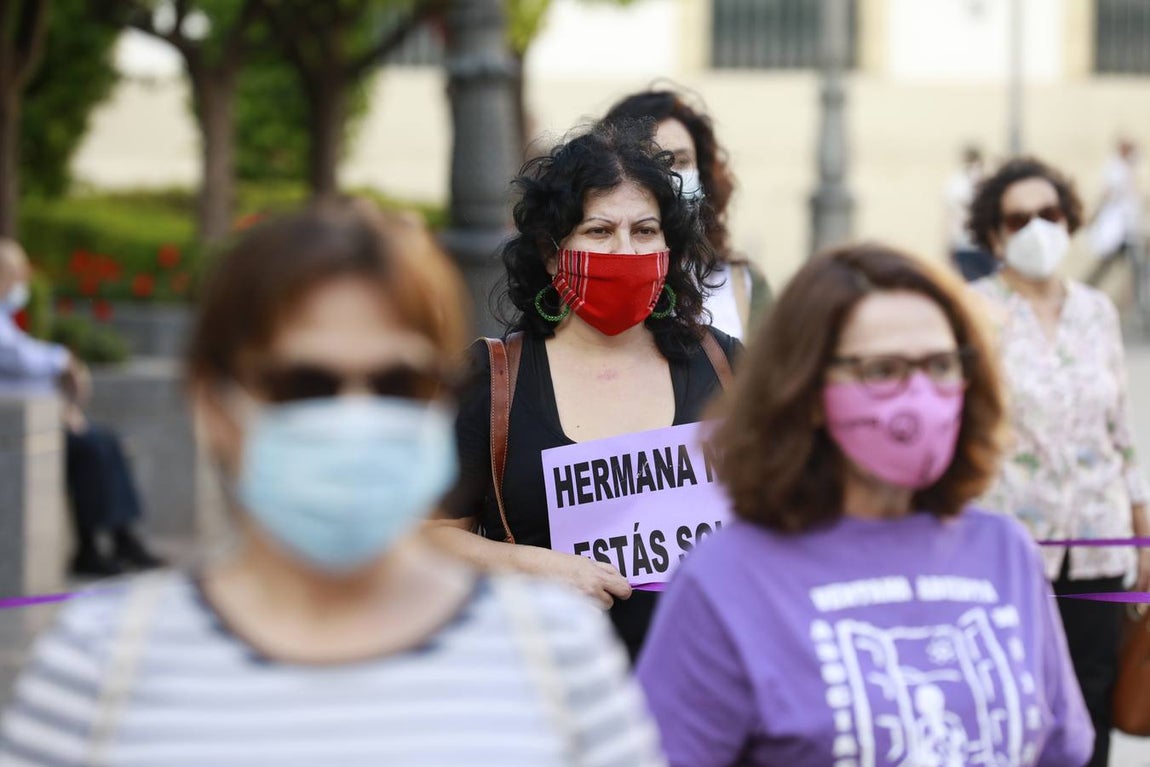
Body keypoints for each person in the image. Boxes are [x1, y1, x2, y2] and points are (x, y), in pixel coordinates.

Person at [0, 203, 666, 766]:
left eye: (397, 385)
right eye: (306, 386)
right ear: (212, 404)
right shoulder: (99, 667)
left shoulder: (557, 656)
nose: (357, 417)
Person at [636, 243, 1093, 767]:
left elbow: (1061, 750)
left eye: (941, 364)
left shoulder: (1005, 551)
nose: (919, 395)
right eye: (882, 370)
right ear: (804, 390)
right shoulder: (724, 580)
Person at [430, 120, 738, 661]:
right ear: (552, 254)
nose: (624, 251)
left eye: (645, 231)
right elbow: (427, 537)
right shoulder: (493, 379)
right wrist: (530, 565)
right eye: (599, 231)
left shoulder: (729, 366)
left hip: (712, 683)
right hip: (547, 688)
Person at [967, 157, 1149, 767]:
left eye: (1049, 214)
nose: (1036, 229)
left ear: (1069, 221)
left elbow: (1121, 426)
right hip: (1012, 547)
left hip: (1099, 541)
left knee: (1095, 698)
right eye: (1018, 219)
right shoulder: (973, 310)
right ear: (994, 233)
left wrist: (1142, 533)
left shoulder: (1096, 310)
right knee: (1018, 700)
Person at [0, 237, 162, 577]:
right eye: (14, 271)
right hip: (20, 424)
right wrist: (62, 360)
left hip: (43, 416)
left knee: (106, 441)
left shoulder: (8, 316)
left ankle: (122, 536)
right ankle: (90, 545)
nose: (22, 280)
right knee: (90, 448)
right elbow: (16, 357)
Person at [603, 89, 771, 340]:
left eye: (680, 161)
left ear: (703, 173)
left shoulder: (743, 284)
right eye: (651, 161)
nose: (670, 177)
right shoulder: (592, 278)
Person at [1085, 138, 1145, 289]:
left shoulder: (1127, 169)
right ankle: (1085, 290)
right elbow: (1107, 195)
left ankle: (1142, 305)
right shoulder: (1115, 170)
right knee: (1104, 267)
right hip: (1116, 229)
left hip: (1127, 231)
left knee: (1137, 268)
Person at [945, 144, 997, 282]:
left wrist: (949, 246)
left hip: (967, 244)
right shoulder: (988, 179)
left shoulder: (956, 183)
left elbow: (951, 217)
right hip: (982, 244)